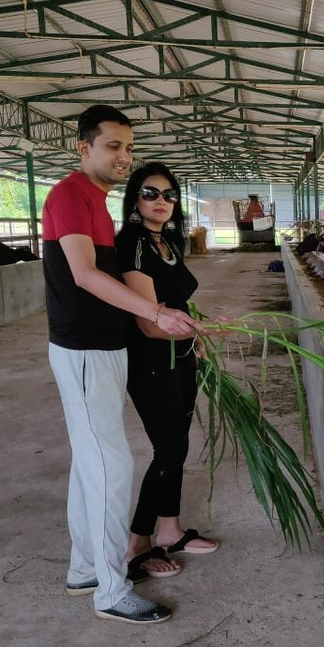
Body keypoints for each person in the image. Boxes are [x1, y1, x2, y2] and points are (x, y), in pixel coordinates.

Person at [43, 105, 202, 625]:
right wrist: (156, 312)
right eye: (113, 145)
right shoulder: (70, 195)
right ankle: (111, 590)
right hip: (85, 348)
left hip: (105, 349)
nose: (123, 156)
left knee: (89, 463)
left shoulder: (98, 203)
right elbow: (85, 276)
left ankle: (84, 568)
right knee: (112, 466)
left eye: (128, 147)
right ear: (83, 147)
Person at [115, 163, 219, 583]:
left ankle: (171, 529)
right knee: (168, 449)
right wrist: (194, 331)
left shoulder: (168, 243)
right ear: (135, 200)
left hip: (180, 354)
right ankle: (137, 541)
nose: (162, 202)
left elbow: (178, 304)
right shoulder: (134, 243)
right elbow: (147, 321)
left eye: (169, 195)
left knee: (176, 442)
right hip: (151, 359)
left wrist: (199, 339)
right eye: (151, 193)